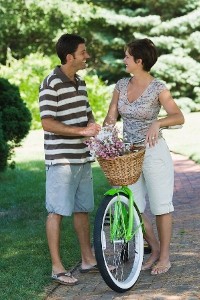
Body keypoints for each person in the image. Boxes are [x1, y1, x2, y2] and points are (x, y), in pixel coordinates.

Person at [103, 38, 184, 275]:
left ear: (139, 61)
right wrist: (105, 136)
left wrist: (158, 123)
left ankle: (165, 257)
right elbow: (111, 116)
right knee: (132, 206)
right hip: (129, 153)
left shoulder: (158, 88)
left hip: (153, 151)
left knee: (161, 206)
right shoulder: (120, 85)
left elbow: (178, 116)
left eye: (127, 56)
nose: (124, 60)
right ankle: (155, 248)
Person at [39, 33, 101, 285]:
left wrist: (92, 125)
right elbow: (47, 122)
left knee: (82, 209)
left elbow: (87, 113)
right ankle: (57, 268)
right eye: (83, 52)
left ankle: (87, 260)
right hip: (61, 159)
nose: (87, 56)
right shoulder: (51, 83)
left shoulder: (81, 82)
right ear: (69, 56)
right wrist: (81, 131)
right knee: (56, 211)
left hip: (82, 158)